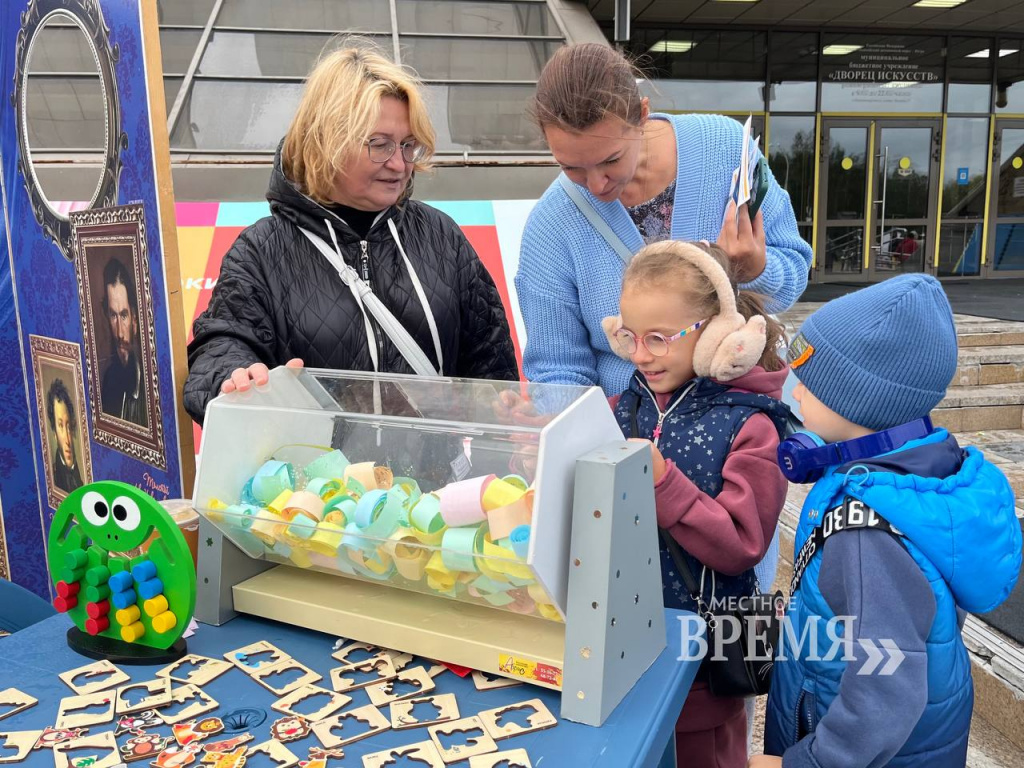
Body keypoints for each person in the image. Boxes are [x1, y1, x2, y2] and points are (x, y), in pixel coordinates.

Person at [752, 275, 1021, 768]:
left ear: (857, 401)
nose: (795, 397)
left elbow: (887, 685)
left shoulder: (865, 531)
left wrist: (808, 762)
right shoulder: (925, 477)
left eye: (806, 384)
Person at [184, 42, 517, 424]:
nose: (398, 164)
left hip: (435, 482)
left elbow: (493, 375)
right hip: (318, 483)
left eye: (408, 145)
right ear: (327, 140)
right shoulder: (260, 251)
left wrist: (508, 425)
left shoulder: (441, 237)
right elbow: (221, 345)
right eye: (379, 145)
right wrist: (234, 376)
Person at [515, 43, 812, 400]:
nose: (596, 185)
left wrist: (754, 269)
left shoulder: (726, 150)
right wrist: (553, 415)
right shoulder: (552, 226)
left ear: (642, 115)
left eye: (611, 160)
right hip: (629, 433)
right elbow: (557, 368)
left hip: (742, 421)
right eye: (571, 167)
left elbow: (792, 279)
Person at [605, 240, 791, 768]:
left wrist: (664, 483)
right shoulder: (630, 405)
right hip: (631, 654)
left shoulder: (754, 426)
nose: (640, 354)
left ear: (717, 335)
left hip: (707, 671)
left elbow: (740, 544)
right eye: (630, 336)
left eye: (660, 339)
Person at [101, 257, 147, 427]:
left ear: (134, 318)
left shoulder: (149, 382)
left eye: (124, 315)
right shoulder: (109, 382)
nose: (120, 332)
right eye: (113, 316)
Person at [46, 377, 83, 493]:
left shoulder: (80, 474)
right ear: (54, 432)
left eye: (68, 426)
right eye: (60, 426)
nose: (67, 439)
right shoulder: (54, 476)